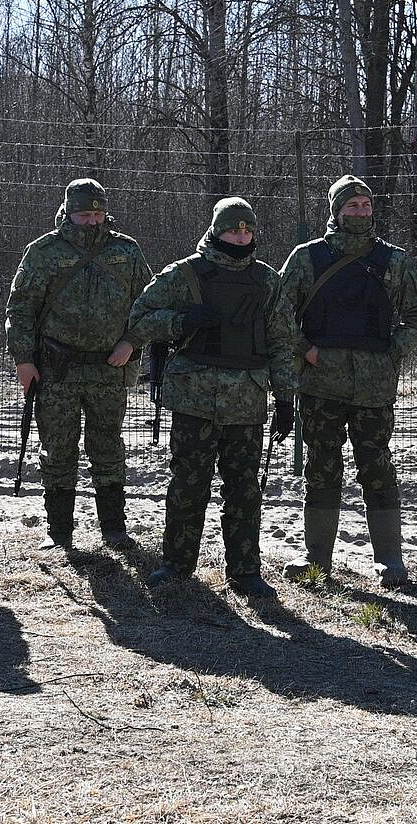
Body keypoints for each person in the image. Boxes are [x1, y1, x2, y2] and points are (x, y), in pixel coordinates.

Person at [127, 197, 299, 599]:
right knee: (188, 485)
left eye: (247, 230)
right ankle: (176, 564)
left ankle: (245, 571)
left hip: (247, 402)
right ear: (217, 230)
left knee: (244, 490)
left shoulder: (267, 281)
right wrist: (180, 322)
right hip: (194, 398)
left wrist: (285, 398)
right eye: (233, 229)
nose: (241, 236)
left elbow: (282, 341)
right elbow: (139, 319)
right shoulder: (184, 274)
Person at [277, 176, 417, 587]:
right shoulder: (307, 258)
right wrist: (306, 349)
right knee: (321, 467)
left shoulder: (393, 260)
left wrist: (393, 351)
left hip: (374, 387)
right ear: (336, 211)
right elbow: (279, 313)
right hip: (321, 383)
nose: (360, 211)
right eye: (352, 205)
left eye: (365, 204)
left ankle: (390, 560)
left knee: (377, 466)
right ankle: (316, 559)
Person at [4, 178, 153, 551]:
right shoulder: (44, 252)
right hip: (57, 370)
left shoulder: (126, 251)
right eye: (84, 214)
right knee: (58, 449)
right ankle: (59, 531)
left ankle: (114, 529)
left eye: (98, 214)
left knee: (108, 447)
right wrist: (24, 360)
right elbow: (20, 310)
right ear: (68, 212)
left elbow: (148, 305)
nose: (92, 221)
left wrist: (131, 342)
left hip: (108, 368)